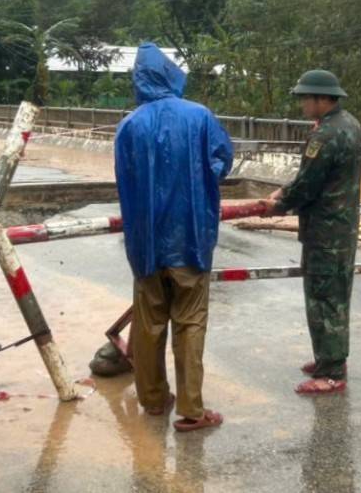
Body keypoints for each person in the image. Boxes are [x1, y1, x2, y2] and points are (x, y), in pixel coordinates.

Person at [115, 44, 234, 432]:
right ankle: (191, 409)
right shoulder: (199, 117)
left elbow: (124, 179)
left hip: (146, 244)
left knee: (149, 324)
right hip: (191, 240)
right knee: (190, 322)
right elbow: (222, 161)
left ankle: (152, 400)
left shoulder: (129, 125)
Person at [263, 69, 361, 394]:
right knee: (336, 294)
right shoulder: (349, 123)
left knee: (323, 298)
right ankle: (330, 357)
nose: (303, 104)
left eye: (306, 97)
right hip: (342, 227)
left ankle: (331, 371)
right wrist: (286, 191)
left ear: (322, 99)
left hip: (325, 230)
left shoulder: (326, 135)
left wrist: (280, 203)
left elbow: (308, 184)